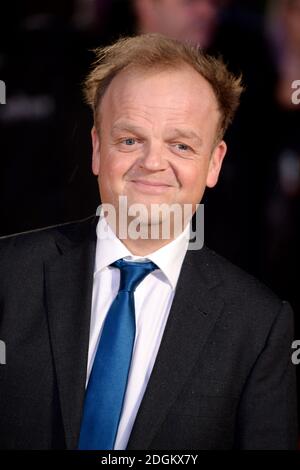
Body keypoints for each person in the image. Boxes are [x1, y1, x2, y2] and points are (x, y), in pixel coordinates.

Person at [0, 33, 297, 450]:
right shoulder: (8, 276)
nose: (153, 163)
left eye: (181, 144)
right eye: (130, 140)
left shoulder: (259, 327)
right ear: (97, 149)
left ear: (214, 162)